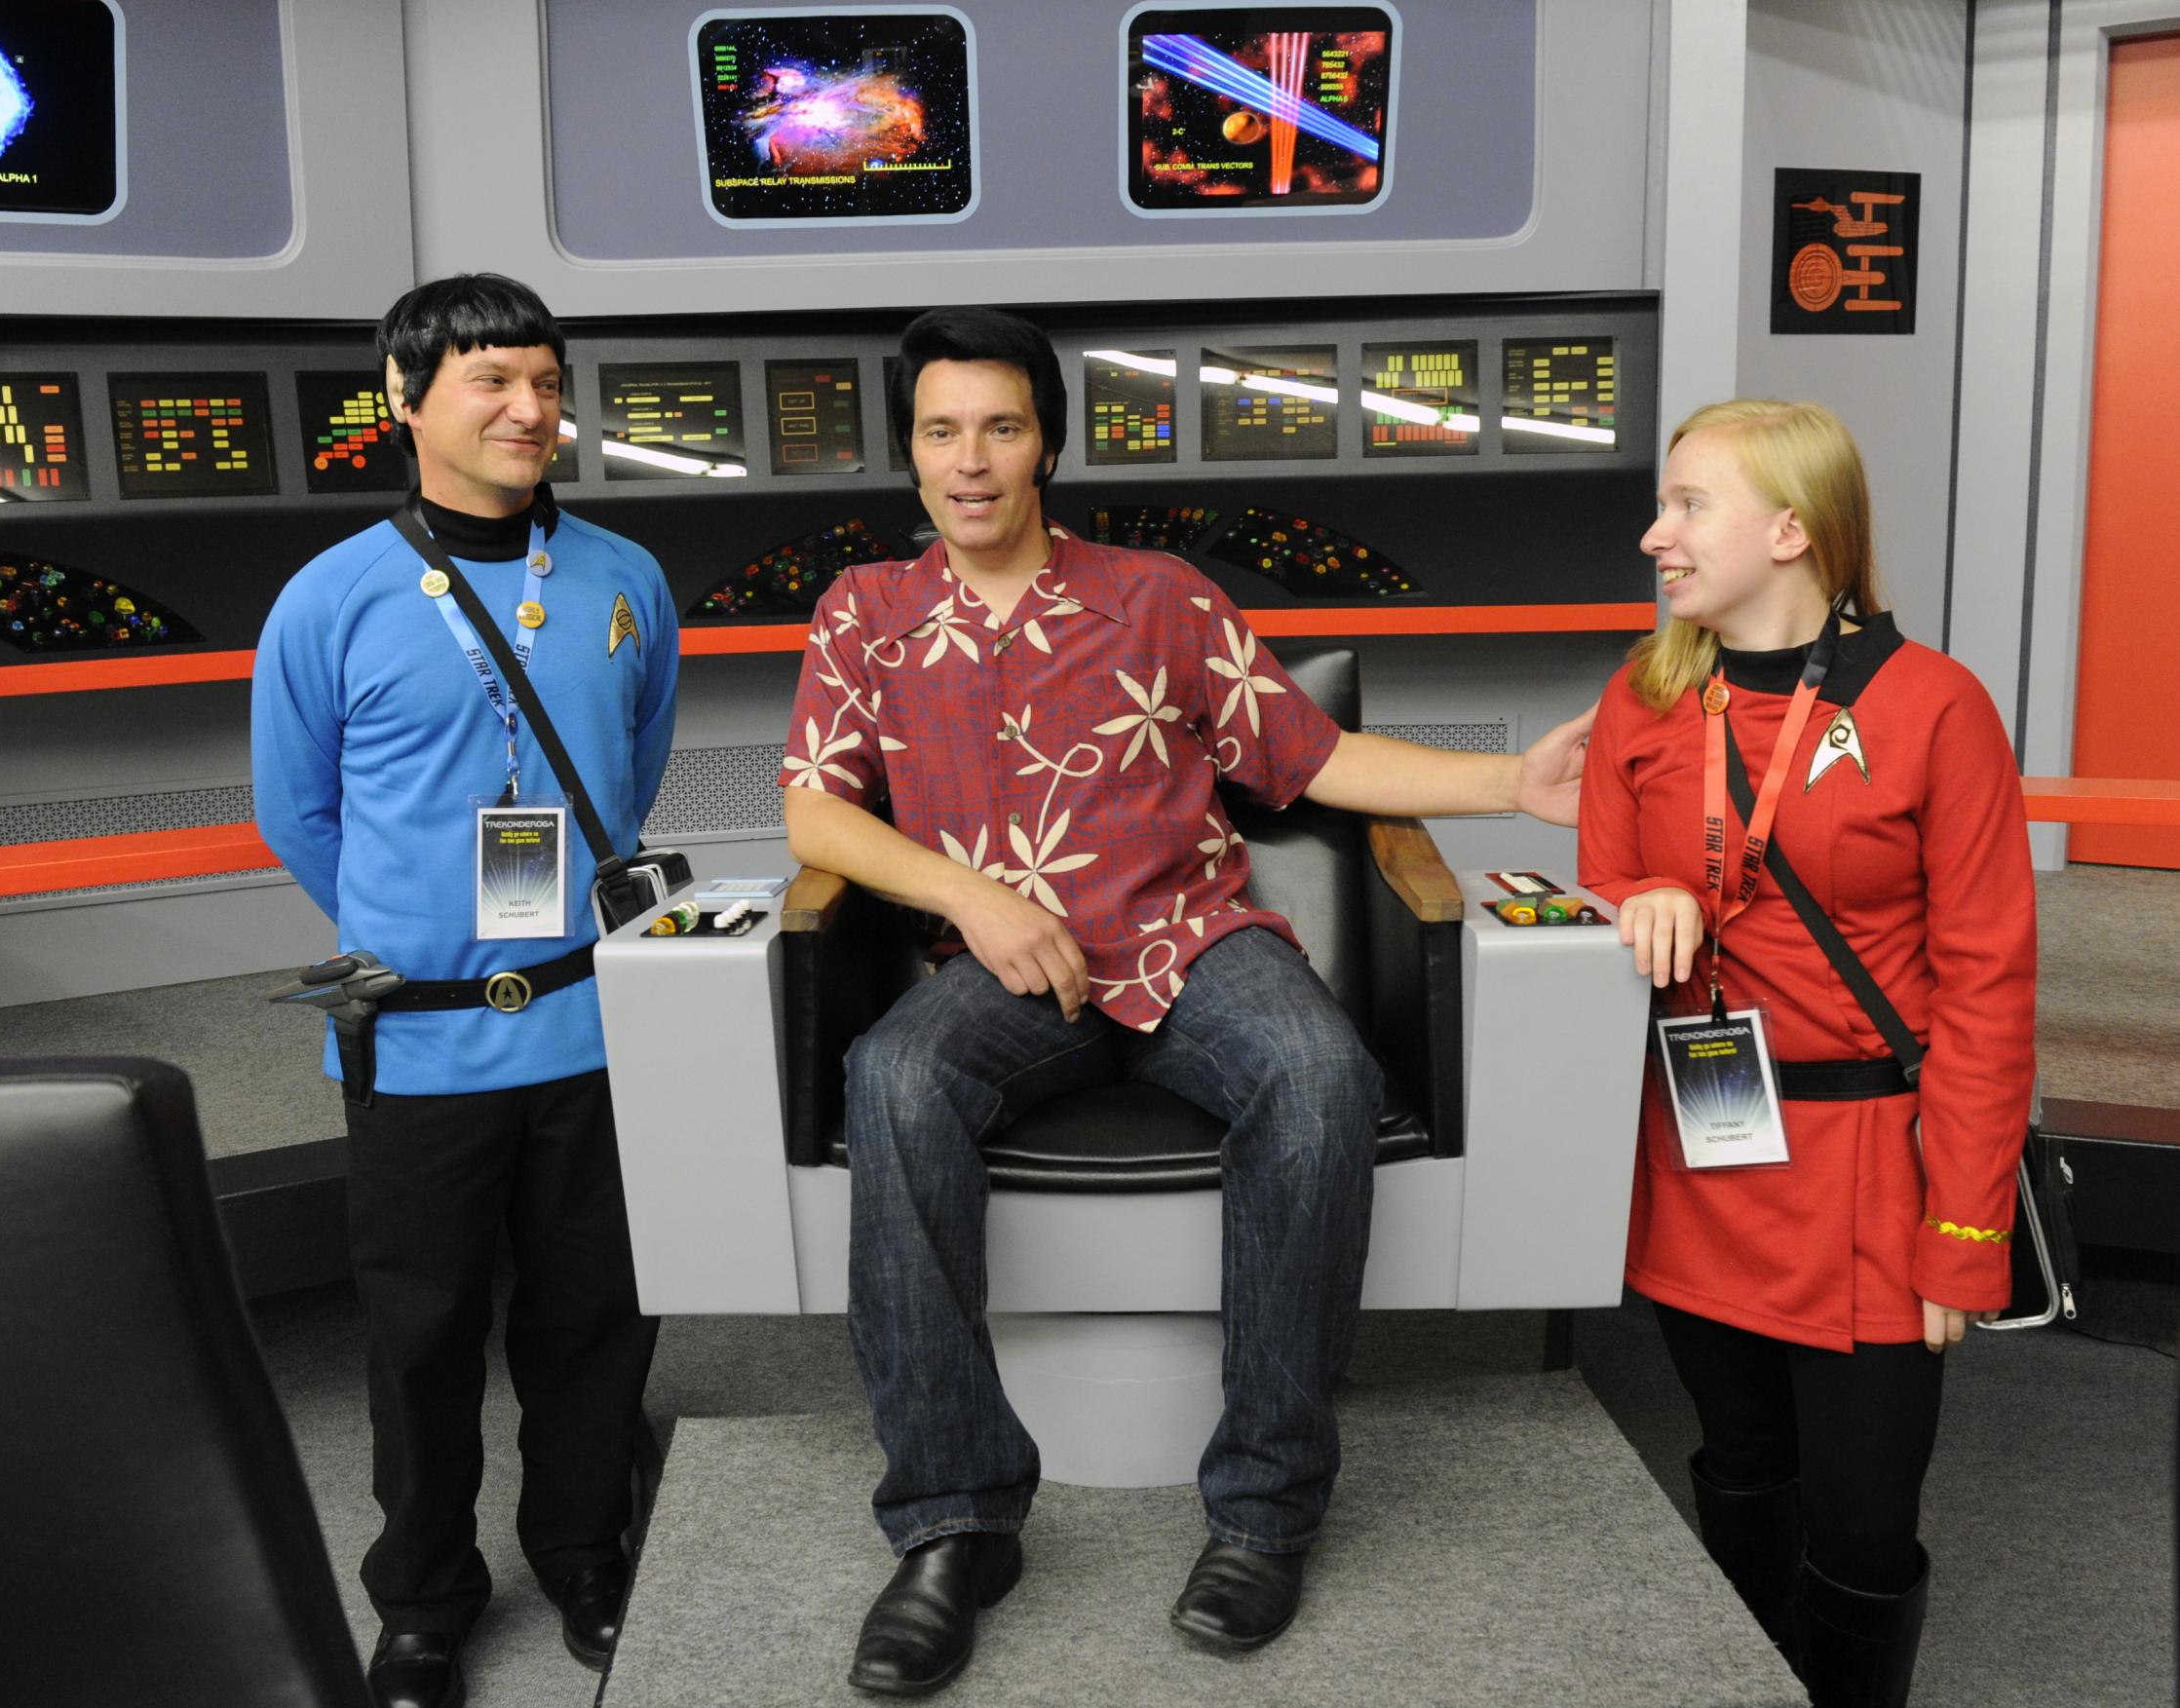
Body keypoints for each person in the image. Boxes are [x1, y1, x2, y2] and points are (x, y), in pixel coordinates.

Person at [778, 305, 1592, 1695]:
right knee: (894, 1079)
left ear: (1047, 445)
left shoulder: (1157, 594)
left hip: (1189, 941)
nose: (971, 460)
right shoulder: (868, 610)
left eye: (1003, 427)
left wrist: (1507, 782)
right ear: (907, 452)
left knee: (1320, 1073)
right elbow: (814, 812)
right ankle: (956, 1523)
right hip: (999, 969)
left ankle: (1266, 1508)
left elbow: (1312, 755)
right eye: (941, 431)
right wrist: (972, 896)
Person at [252, 272, 677, 1707]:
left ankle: (586, 1551)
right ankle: (426, 1598)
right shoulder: (333, 598)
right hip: (419, 1043)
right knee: (420, 1337)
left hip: (593, 1021)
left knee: (594, 1317)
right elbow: (296, 812)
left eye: (548, 381)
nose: (529, 408)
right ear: (403, 395)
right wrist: (422, 936)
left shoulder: (624, 577)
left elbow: (633, 766)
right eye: (494, 379)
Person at [1578, 399, 2035, 1708]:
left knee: (1863, 1525)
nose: (1657, 533)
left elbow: (1990, 985)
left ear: (1791, 529)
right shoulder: (1647, 692)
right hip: (1709, 1151)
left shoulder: (1937, 707)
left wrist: (1966, 1229)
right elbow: (1606, 864)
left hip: (1878, 1179)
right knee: (1735, 1461)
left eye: (1689, 505)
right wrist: (1632, 898)